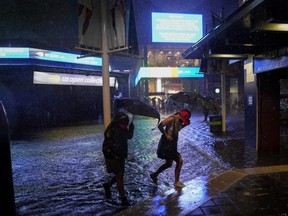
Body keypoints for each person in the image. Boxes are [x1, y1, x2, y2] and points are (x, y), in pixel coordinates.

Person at [150, 109, 191, 188]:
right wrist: (166, 135)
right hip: (166, 145)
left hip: (172, 145)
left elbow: (177, 129)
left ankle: (154, 175)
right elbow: (160, 126)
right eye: (184, 119)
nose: (183, 121)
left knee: (169, 164)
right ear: (181, 115)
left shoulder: (180, 120)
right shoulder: (172, 119)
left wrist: (184, 125)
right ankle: (176, 182)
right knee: (179, 161)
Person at [102, 112, 134, 206]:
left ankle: (107, 185)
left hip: (121, 155)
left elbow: (129, 136)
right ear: (117, 121)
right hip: (112, 156)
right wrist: (112, 156)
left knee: (120, 175)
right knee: (119, 176)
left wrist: (131, 129)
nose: (124, 125)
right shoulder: (111, 130)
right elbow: (106, 147)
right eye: (122, 123)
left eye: (126, 124)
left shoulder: (123, 128)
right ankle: (123, 199)